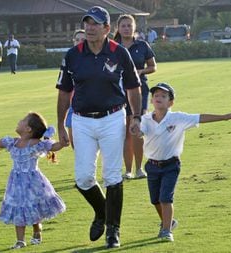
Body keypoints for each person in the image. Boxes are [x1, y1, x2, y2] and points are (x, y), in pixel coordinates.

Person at [56, 6, 142, 248]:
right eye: (87, 23)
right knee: (83, 178)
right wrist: (61, 124)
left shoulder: (119, 52)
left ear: (107, 29)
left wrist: (135, 117)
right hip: (82, 119)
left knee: (112, 175)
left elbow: (133, 87)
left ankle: (113, 231)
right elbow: (64, 92)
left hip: (113, 117)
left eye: (95, 24)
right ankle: (103, 213)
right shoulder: (73, 54)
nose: (90, 28)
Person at [140, 83, 231, 242]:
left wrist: (224, 117)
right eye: (156, 96)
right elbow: (138, 131)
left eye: (163, 96)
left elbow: (201, 117)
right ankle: (170, 222)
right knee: (155, 200)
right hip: (152, 165)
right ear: (152, 100)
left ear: (170, 103)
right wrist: (134, 128)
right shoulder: (145, 119)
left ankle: (166, 231)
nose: (159, 98)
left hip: (171, 165)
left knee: (166, 197)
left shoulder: (178, 118)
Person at [0, 112, 67, 249]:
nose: (19, 121)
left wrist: (62, 143)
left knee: (33, 206)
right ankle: (20, 240)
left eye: (23, 120)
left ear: (28, 129)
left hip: (33, 182)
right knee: (18, 207)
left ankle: (37, 229)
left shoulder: (36, 144)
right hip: (16, 183)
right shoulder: (13, 142)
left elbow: (52, 146)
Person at [113, 14, 157, 180]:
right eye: (123, 26)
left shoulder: (142, 45)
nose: (126, 28)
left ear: (134, 28)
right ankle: (128, 170)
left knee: (137, 129)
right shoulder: (112, 47)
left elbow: (153, 66)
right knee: (125, 132)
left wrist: (140, 71)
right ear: (118, 28)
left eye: (129, 26)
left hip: (140, 90)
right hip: (118, 91)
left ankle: (139, 169)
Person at [65, 29, 85, 149]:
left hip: (88, 107)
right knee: (75, 146)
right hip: (73, 106)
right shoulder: (70, 58)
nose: (79, 42)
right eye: (77, 40)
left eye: (83, 40)